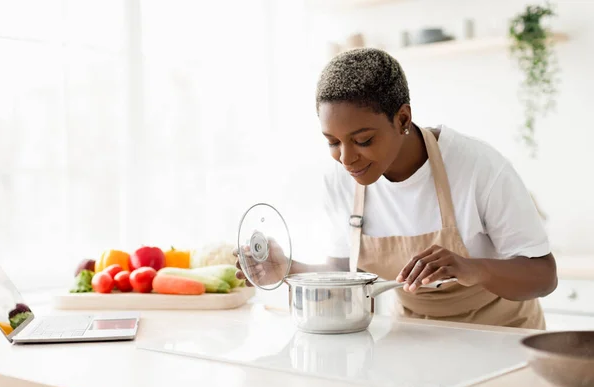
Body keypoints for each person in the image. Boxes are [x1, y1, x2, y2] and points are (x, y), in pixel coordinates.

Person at [235, 48, 557, 329]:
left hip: (502, 336)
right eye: (333, 142)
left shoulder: (478, 168)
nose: (346, 158)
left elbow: (544, 275)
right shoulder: (340, 181)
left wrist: (470, 268)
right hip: (416, 338)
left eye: (363, 140)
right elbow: (346, 273)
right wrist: (289, 268)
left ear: (402, 119)